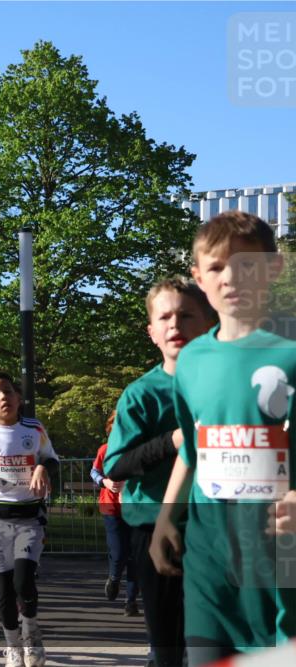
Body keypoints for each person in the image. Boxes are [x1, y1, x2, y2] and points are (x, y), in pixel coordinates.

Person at [150, 212, 296, 666]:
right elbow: (193, 451)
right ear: (199, 276)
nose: (231, 277)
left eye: (247, 265)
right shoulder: (192, 360)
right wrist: (165, 519)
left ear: (275, 269)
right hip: (210, 562)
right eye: (216, 267)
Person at [104, 276, 214, 667]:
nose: (175, 324)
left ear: (209, 322)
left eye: (186, 315)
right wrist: (173, 441)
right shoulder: (141, 394)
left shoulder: (229, 384)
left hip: (222, 527)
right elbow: (116, 464)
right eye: (164, 316)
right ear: (151, 332)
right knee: (167, 644)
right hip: (156, 531)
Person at [0, 372, 59, 667]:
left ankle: (31, 633)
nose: (3, 398)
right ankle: (11, 646)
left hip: (30, 517)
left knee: (23, 580)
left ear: (19, 398)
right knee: (5, 588)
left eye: (8, 392)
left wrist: (41, 469)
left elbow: (51, 457)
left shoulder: (34, 428)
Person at [91, 413, 139, 616]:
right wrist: (106, 482)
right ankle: (114, 578)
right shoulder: (105, 449)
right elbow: (94, 473)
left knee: (136, 557)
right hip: (111, 507)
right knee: (119, 552)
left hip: (135, 507)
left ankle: (131, 602)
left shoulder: (139, 449)